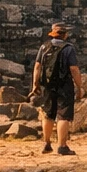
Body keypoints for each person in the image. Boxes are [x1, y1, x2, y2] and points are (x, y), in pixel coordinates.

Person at [32, 21, 82, 155]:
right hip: (64, 85)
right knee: (63, 115)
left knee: (48, 114)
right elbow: (74, 69)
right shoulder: (68, 48)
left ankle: (46, 143)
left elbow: (37, 66)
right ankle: (62, 146)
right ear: (65, 35)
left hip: (47, 85)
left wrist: (35, 84)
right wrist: (79, 86)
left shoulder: (44, 47)